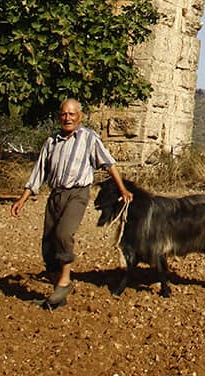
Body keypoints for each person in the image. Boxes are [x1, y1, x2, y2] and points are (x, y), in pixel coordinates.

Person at [11, 98, 131, 309]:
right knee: (48, 244)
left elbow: (109, 163)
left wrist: (122, 189)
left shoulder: (88, 138)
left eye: (72, 114)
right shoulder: (51, 142)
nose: (68, 118)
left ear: (80, 117)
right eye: (64, 114)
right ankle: (59, 287)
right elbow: (38, 172)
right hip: (55, 195)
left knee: (64, 234)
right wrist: (22, 199)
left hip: (78, 193)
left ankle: (65, 281)